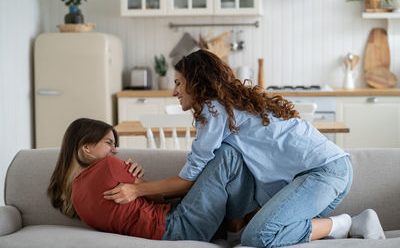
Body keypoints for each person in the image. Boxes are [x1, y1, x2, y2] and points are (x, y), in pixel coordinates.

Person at [104, 49, 386, 247]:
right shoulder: (228, 107)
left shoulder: (214, 110)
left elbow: (188, 180)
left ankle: (349, 224)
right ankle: (236, 231)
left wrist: (136, 189)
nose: (173, 91)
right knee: (230, 156)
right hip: (317, 177)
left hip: (324, 174)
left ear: (196, 83)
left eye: (178, 83)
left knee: (259, 237)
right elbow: (224, 166)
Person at [47, 118, 258, 241]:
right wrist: (141, 183)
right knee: (228, 153)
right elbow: (160, 198)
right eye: (108, 143)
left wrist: (137, 183)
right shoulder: (109, 166)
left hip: (167, 229)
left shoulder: (76, 196)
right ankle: (236, 220)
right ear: (86, 147)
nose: (114, 150)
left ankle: (235, 220)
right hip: (178, 226)